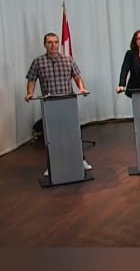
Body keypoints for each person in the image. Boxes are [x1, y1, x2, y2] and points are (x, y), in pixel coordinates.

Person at [25, 32, 93, 176]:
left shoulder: (68, 60)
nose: (53, 45)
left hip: (67, 102)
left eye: (56, 42)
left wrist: (81, 88)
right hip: (49, 104)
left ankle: (80, 160)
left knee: (73, 134)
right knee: (51, 137)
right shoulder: (38, 62)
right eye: (50, 42)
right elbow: (31, 79)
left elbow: (77, 77)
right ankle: (52, 165)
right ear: (45, 45)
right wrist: (30, 93)